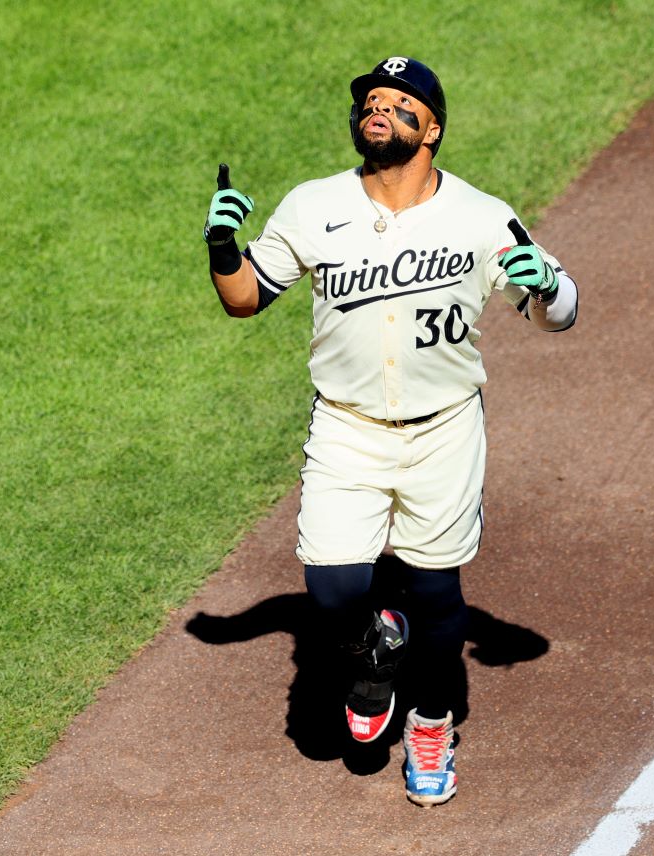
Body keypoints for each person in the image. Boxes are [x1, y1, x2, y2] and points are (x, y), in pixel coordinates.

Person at [202, 56, 577, 807]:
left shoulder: (480, 215)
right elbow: (245, 299)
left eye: (400, 104)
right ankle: (376, 655)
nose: (380, 110)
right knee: (334, 590)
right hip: (347, 427)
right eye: (372, 102)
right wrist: (220, 250)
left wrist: (547, 288)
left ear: (432, 129)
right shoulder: (314, 206)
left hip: (443, 432)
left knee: (439, 597)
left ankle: (431, 725)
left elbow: (558, 311)